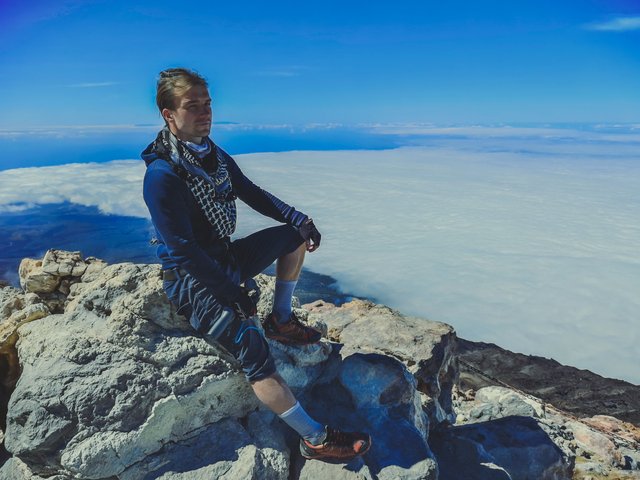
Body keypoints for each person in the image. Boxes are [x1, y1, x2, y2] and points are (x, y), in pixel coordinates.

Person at [141, 67, 371, 461]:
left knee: (293, 237)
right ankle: (314, 438)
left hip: (223, 257)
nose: (204, 113)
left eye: (207, 104)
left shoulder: (210, 154)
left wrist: (297, 218)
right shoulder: (163, 175)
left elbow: (248, 191)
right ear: (168, 114)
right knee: (255, 356)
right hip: (192, 278)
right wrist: (234, 294)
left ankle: (281, 319)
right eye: (192, 106)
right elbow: (182, 251)